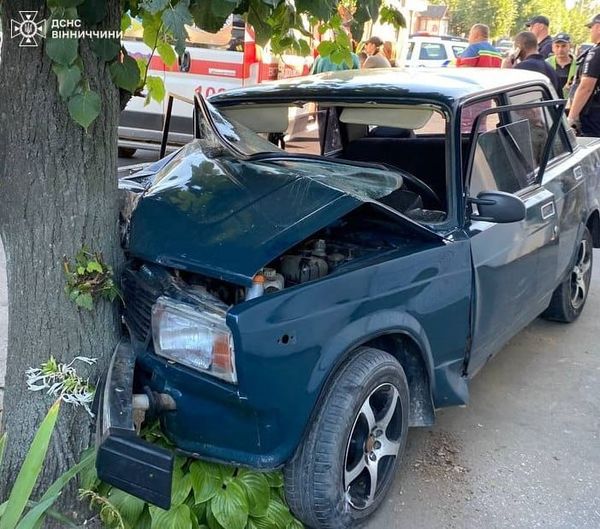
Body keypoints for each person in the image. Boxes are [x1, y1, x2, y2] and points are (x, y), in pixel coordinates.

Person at [568, 15, 600, 136]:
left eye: (591, 28)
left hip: (594, 115)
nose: (590, 31)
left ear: (598, 28)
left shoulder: (596, 53)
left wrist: (570, 118)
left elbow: (586, 88)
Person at [546, 33, 577, 98]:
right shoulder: (546, 63)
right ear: (552, 48)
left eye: (564, 46)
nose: (560, 50)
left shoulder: (578, 64)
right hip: (551, 102)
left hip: (571, 103)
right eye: (557, 46)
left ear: (570, 46)